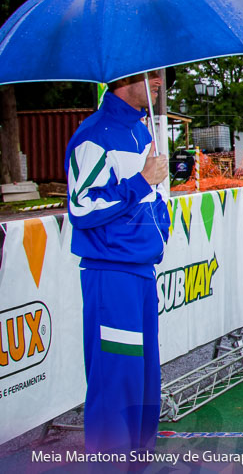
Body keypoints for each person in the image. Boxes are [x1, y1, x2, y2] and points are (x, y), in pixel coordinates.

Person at [65, 70, 170, 454]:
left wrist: (161, 217)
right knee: (116, 381)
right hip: (111, 274)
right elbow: (81, 205)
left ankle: (138, 462)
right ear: (127, 79)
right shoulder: (94, 134)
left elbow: (143, 198)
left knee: (143, 380)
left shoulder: (142, 131)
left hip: (140, 270)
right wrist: (142, 181)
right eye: (152, 76)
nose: (160, 82)